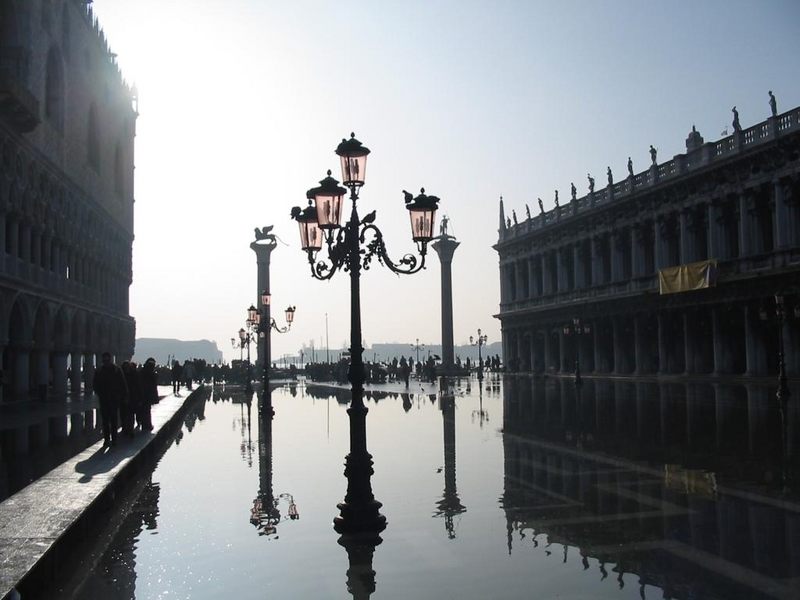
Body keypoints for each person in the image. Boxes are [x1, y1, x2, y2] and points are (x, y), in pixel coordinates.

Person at [93, 352, 128, 448]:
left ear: (110, 359)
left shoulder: (116, 370)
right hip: (104, 399)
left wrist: (123, 396)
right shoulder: (99, 370)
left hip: (113, 399)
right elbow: (95, 384)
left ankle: (114, 439)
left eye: (107, 360)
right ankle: (107, 439)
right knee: (105, 420)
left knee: (113, 420)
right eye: (104, 360)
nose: (106, 362)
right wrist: (99, 393)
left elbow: (122, 383)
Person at [120, 361, 140, 437]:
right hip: (124, 398)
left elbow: (138, 386)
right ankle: (125, 428)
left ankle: (130, 429)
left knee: (130, 414)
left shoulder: (133, 375)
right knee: (124, 414)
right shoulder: (123, 375)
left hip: (132, 398)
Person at [139, 358, 158, 431]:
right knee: (147, 410)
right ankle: (148, 425)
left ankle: (144, 425)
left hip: (143, 394)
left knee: (144, 410)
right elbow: (153, 384)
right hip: (147, 394)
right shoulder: (151, 373)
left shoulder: (142, 371)